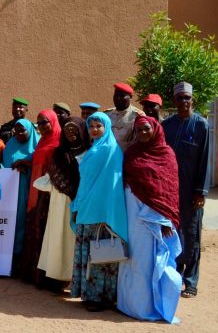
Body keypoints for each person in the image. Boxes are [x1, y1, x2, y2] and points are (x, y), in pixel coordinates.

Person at [118, 116, 182, 323]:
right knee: (135, 260)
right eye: (139, 130)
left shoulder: (167, 154)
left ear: (155, 129)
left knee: (154, 262)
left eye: (146, 129)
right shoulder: (131, 153)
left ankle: (151, 306)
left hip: (156, 220)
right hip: (133, 216)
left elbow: (168, 191)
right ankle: (131, 305)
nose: (143, 133)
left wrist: (164, 221)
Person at [70, 112, 128, 312]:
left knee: (101, 255)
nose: (94, 129)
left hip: (102, 213)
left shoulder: (112, 150)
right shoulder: (94, 148)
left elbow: (111, 184)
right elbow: (86, 181)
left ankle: (101, 298)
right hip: (86, 207)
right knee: (89, 255)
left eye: (98, 126)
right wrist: (78, 205)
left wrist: (106, 210)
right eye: (91, 126)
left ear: (106, 127)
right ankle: (88, 294)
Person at [162, 82, 210, 299]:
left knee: (192, 236)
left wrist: (201, 191)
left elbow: (205, 160)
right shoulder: (167, 125)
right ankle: (175, 276)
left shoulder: (201, 125)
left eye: (187, 98)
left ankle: (191, 281)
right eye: (179, 98)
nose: (183, 102)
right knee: (173, 233)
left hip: (192, 192)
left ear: (193, 100)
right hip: (170, 192)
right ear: (174, 101)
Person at [34, 117, 88, 292]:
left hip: (82, 202)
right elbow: (53, 177)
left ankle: (75, 279)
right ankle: (57, 278)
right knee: (58, 238)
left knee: (75, 240)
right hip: (60, 202)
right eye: (67, 130)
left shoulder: (89, 152)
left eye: (74, 129)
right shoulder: (59, 153)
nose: (71, 133)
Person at [21, 110, 62, 285]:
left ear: (53, 121)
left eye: (45, 122)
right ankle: (33, 274)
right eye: (38, 123)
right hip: (36, 192)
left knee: (47, 233)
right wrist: (24, 162)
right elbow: (39, 162)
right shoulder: (42, 141)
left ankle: (48, 279)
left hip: (49, 195)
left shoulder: (59, 142)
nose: (42, 126)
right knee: (35, 231)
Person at [1, 118, 39, 269]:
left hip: (31, 189)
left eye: (23, 130)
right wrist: (13, 166)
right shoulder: (10, 144)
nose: (19, 134)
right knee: (14, 221)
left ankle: (25, 259)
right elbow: (5, 166)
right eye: (16, 131)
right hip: (13, 192)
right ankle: (12, 258)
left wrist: (25, 164)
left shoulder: (37, 145)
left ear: (30, 130)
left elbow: (40, 164)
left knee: (28, 221)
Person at [105, 82, 143, 151]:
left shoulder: (138, 116)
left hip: (128, 157)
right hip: (108, 155)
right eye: (116, 96)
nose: (118, 98)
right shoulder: (107, 115)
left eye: (122, 96)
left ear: (130, 97)